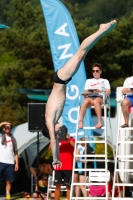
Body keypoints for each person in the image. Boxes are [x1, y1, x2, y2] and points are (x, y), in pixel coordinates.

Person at [45, 20, 117, 167]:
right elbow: (56, 140)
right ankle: (101, 31)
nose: (58, 132)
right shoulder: (53, 120)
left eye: (55, 132)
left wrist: (54, 159)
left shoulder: (49, 120)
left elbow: (53, 141)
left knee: (80, 53)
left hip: (61, 79)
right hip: (63, 80)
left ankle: (101, 30)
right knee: (82, 53)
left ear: (49, 130)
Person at [78, 63, 111, 129]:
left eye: (97, 71)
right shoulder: (88, 81)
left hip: (101, 97)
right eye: (93, 71)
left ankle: (99, 122)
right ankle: (81, 121)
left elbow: (108, 92)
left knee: (96, 101)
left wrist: (100, 91)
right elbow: (85, 92)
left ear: (100, 72)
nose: (95, 72)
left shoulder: (105, 81)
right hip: (90, 97)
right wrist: (91, 91)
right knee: (84, 102)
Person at [54, 123, 75, 200]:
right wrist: (55, 139)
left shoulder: (71, 139)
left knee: (68, 186)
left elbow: (75, 146)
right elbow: (50, 148)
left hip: (68, 167)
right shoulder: (56, 140)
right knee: (57, 186)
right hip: (58, 167)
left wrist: (68, 139)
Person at [0, 122, 19, 199]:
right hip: (1, 161)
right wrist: (4, 123)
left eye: (9, 127)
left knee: (9, 180)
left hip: (10, 162)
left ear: (11, 129)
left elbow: (15, 153)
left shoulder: (13, 139)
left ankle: (8, 194)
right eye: (6, 127)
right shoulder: (1, 136)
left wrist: (16, 163)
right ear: (4, 129)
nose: (7, 128)